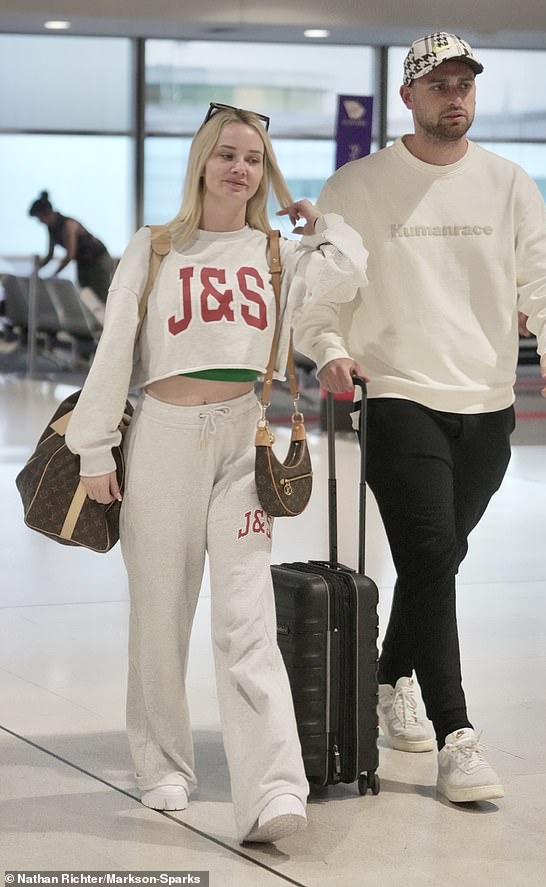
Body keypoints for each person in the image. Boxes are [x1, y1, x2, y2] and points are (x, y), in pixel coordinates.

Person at [64, 103, 367, 843]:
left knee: (246, 617)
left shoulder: (278, 254)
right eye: (227, 153)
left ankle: (272, 788)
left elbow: (351, 268)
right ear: (202, 160)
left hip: (244, 441)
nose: (239, 168)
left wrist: (315, 217)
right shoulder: (156, 246)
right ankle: (163, 761)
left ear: (267, 172)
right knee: (160, 611)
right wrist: (95, 446)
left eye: (254, 158)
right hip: (163, 437)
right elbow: (116, 349)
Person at [295, 32, 546, 804]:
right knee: (428, 555)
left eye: (464, 84)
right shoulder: (356, 186)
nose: (454, 96)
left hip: (487, 406)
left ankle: (389, 679)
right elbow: (318, 300)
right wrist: (327, 349)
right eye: (439, 84)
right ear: (408, 97)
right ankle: (458, 735)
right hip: (397, 394)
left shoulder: (508, 182)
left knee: (438, 562)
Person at [28, 191, 113, 302]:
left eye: (39, 218)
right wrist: (35, 270)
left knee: (100, 297)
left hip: (98, 260)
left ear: (45, 214)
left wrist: (54, 274)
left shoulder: (68, 225)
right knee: (86, 297)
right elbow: (50, 255)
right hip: (83, 263)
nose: (40, 222)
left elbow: (70, 255)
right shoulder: (51, 228)